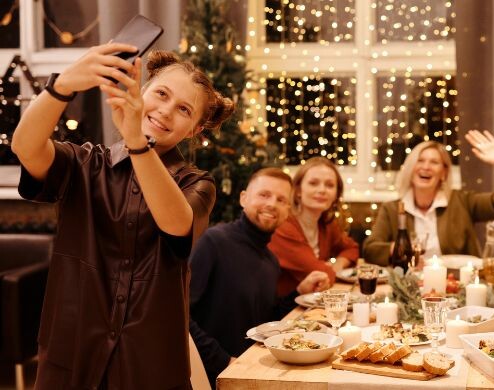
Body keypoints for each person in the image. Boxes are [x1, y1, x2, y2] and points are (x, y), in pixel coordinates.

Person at [11, 45, 234, 389]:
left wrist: (136, 142)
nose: (165, 111)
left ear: (193, 129)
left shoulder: (197, 184)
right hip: (71, 356)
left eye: (184, 109)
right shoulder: (84, 164)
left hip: (150, 364)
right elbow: (24, 145)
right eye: (161, 93)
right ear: (142, 91)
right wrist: (64, 84)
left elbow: (176, 224)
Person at [189, 168, 331, 386]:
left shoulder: (270, 260)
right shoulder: (213, 242)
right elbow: (180, 315)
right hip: (215, 376)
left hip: (256, 369)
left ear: (288, 210)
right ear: (243, 198)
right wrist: (223, 361)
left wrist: (299, 292)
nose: (272, 204)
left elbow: (266, 320)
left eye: (281, 199)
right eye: (264, 195)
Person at [363, 130, 494, 265]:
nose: (426, 167)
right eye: (420, 161)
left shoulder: (462, 201)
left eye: (434, 162)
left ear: (444, 173)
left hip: (457, 285)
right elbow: (370, 249)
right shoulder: (392, 209)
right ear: (410, 169)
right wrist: (397, 248)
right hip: (410, 285)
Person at [268, 156, 359, 296]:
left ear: (336, 195)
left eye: (329, 185)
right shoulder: (283, 226)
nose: (322, 190)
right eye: (313, 183)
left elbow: (351, 248)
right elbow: (320, 273)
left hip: (309, 303)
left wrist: (337, 265)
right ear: (298, 190)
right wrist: (328, 270)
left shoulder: (325, 223)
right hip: (281, 311)